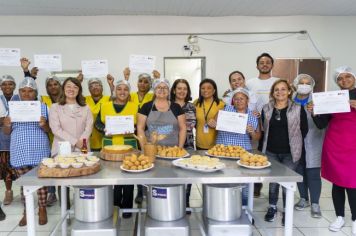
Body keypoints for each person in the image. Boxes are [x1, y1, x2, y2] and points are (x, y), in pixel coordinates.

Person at [308, 66, 356, 234]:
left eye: (348, 77)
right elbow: (322, 124)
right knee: (337, 182)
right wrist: (314, 112)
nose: (344, 81)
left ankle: (355, 219)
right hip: (335, 144)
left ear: (354, 78)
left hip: (353, 147)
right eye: (340, 79)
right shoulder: (334, 98)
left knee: (352, 183)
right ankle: (340, 217)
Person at [3, 77, 51, 226]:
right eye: (23, 91)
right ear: (19, 92)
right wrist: (6, 124)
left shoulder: (43, 107)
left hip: (39, 149)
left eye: (30, 91)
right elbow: (6, 132)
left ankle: (42, 209)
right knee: (25, 184)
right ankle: (26, 211)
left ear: (35, 92)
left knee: (41, 182)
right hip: (19, 149)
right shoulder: (12, 108)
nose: (26, 94)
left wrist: (44, 125)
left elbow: (49, 130)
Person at [261, 79, 308, 226]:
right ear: (272, 93)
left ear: (289, 91)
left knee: (287, 182)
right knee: (273, 181)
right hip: (271, 151)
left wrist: (295, 143)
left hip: (290, 152)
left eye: (283, 89)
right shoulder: (266, 108)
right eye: (276, 90)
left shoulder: (298, 108)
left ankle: (287, 210)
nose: (279, 92)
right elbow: (264, 129)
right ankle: (272, 207)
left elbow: (304, 129)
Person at [95, 79, 138, 218]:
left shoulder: (135, 106)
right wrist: (104, 129)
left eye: (125, 89)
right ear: (114, 91)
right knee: (112, 176)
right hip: (110, 145)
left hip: (129, 145)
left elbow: (142, 126)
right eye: (119, 89)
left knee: (129, 177)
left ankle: (127, 209)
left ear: (129, 91)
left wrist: (133, 129)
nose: (122, 92)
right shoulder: (105, 106)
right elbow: (98, 124)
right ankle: (114, 205)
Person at [49, 77, 93, 209]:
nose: (71, 89)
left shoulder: (85, 107)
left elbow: (88, 127)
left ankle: (84, 209)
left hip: (83, 147)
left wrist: (81, 142)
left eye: (75, 87)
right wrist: (75, 142)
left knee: (83, 179)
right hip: (62, 147)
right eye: (68, 86)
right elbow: (56, 129)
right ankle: (65, 211)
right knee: (63, 181)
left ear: (79, 90)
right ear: (63, 88)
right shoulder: (55, 107)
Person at [217, 87, 261, 205]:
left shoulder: (253, 115)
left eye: (242, 99)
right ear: (233, 101)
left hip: (243, 153)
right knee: (224, 181)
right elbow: (216, 122)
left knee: (244, 182)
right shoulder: (226, 109)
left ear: (247, 100)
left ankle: (245, 208)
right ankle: (225, 207)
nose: (239, 101)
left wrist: (251, 132)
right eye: (236, 99)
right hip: (224, 151)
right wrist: (213, 122)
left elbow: (257, 137)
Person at [246, 53, 279, 197]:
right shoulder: (250, 83)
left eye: (267, 62)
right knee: (255, 153)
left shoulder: (278, 81)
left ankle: (274, 188)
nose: (264, 64)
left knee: (272, 155)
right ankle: (256, 185)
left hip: (275, 124)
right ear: (257, 65)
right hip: (255, 124)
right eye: (261, 62)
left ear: (272, 65)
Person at [292, 74, 324, 218]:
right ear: (295, 84)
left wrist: (316, 112)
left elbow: (324, 123)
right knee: (299, 172)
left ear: (311, 86)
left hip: (313, 141)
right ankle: (303, 198)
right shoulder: (290, 100)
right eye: (301, 83)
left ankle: (315, 203)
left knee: (313, 173)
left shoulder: (318, 100)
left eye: (307, 83)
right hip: (295, 141)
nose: (304, 85)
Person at [170, 78, 196, 213]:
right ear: (174, 90)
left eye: (184, 89)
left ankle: (186, 200)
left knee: (188, 173)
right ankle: (174, 200)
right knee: (172, 173)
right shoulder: (167, 105)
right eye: (179, 88)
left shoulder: (191, 106)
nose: (182, 91)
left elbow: (193, 125)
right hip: (170, 145)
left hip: (188, 144)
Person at [137, 78, 186, 147]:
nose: (162, 89)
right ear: (154, 90)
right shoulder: (146, 107)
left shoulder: (176, 107)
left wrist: (180, 148)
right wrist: (145, 149)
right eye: (159, 87)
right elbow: (140, 128)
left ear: (169, 91)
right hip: (152, 149)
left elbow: (183, 128)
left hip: (172, 150)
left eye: (165, 87)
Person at [41, 75, 62, 206]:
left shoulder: (66, 100)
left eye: (55, 84)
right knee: (50, 166)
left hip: (63, 140)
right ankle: (51, 193)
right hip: (47, 139)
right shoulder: (43, 101)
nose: (53, 87)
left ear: (60, 86)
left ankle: (63, 196)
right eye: (50, 85)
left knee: (61, 168)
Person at [0, 75, 20, 206]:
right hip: (2, 140)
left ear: (14, 86)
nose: (7, 86)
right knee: (5, 167)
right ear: (1, 87)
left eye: (10, 84)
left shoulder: (20, 98)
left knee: (20, 166)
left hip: (18, 138)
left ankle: (25, 191)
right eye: (4, 84)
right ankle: (8, 191)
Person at [194, 78, 224, 150]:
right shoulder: (196, 103)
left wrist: (217, 125)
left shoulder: (221, 104)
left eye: (209, 88)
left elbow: (226, 125)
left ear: (214, 91)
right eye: (203, 88)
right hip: (199, 143)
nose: (205, 90)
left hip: (217, 145)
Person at [85, 78, 110, 151]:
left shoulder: (108, 99)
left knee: (105, 159)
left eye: (97, 85)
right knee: (87, 159)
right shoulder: (84, 99)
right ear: (89, 89)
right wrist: (78, 81)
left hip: (105, 138)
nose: (95, 87)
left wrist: (111, 85)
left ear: (102, 88)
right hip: (87, 140)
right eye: (91, 86)